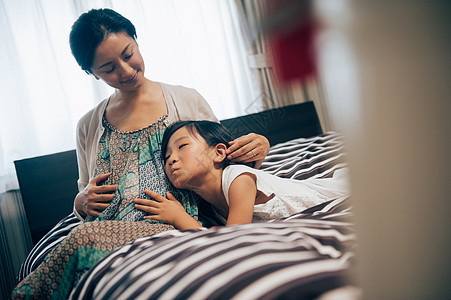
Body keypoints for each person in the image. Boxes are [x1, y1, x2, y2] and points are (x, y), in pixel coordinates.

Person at [12, 8, 270, 299]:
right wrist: (81, 201)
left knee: (79, 239)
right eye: (108, 68)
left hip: (172, 225)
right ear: (92, 73)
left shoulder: (185, 99)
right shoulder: (88, 125)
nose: (126, 70)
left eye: (128, 53)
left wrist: (260, 145)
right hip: (105, 229)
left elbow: (225, 162)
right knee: (80, 238)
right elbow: (84, 194)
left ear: (136, 40)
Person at [134, 120, 350, 227]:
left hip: (338, 193)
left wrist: (181, 219)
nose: (171, 159)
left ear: (218, 153)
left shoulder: (238, 178)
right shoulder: (210, 209)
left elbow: (235, 238)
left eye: (182, 146)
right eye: (166, 157)